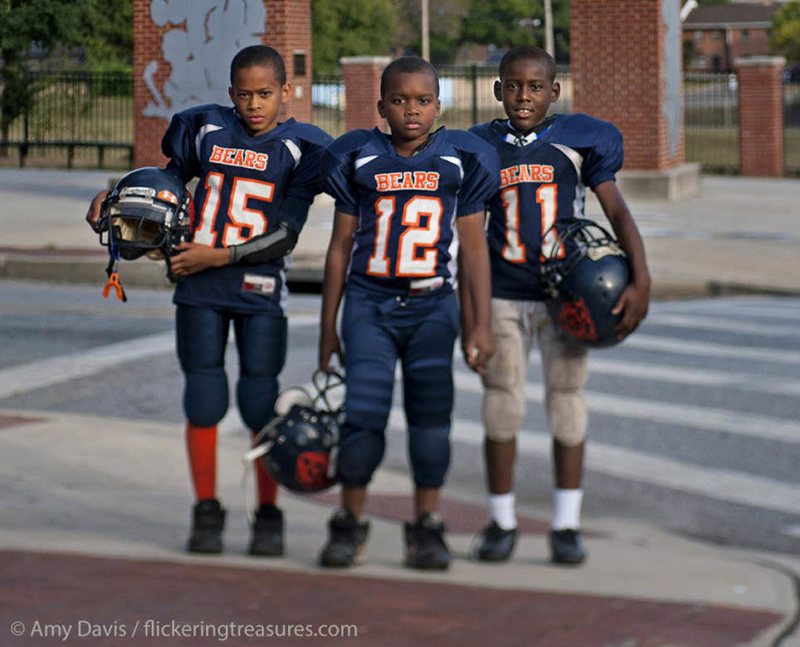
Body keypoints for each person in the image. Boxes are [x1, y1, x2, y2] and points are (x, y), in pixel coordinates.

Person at [87, 44, 332, 556]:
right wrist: (118, 197)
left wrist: (215, 256)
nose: (254, 104)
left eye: (265, 93)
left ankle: (268, 512)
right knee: (203, 401)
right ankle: (207, 508)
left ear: (286, 92)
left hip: (258, 288)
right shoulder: (204, 128)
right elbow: (168, 182)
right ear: (230, 94)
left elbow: (285, 235)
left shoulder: (302, 147)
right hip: (198, 288)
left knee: (259, 403)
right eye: (244, 94)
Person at [468, 47, 650, 566]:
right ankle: (501, 520)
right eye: (513, 86)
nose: (523, 96)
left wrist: (643, 276)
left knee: (568, 402)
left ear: (554, 91)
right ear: (498, 90)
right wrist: (474, 315)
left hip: (562, 294)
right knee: (502, 403)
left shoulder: (578, 140)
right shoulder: (480, 146)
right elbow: (471, 237)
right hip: (502, 292)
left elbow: (616, 209)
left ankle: (566, 523)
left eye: (534, 87)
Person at [317, 56, 499, 571]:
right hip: (369, 303)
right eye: (399, 100)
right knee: (362, 418)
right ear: (380, 106)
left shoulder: (460, 158)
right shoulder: (358, 155)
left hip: (432, 306)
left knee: (430, 423)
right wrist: (329, 327)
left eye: (422, 100)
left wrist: (479, 322)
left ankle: (426, 524)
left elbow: (474, 251)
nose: (411, 110)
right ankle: (349, 522)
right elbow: (339, 248)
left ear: (439, 105)